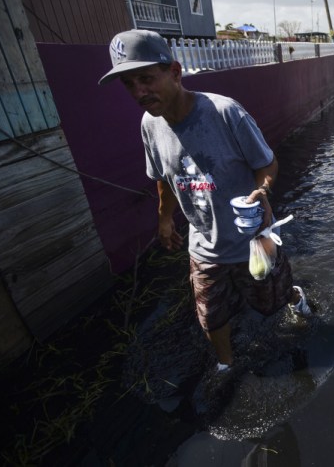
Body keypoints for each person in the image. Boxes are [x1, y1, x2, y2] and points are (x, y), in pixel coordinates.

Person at [98, 29, 311, 373]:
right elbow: (163, 178)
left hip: (251, 240)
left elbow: (267, 163)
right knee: (210, 315)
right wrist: (164, 219)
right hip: (203, 247)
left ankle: (295, 296)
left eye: (146, 78)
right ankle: (226, 364)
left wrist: (263, 191)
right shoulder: (149, 125)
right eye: (129, 84)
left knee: (273, 299)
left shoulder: (225, 113)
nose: (139, 92)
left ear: (176, 72)